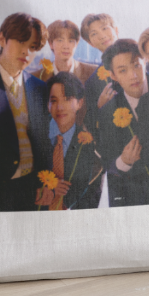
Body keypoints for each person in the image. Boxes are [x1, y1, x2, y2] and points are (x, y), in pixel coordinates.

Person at [97, 39, 149, 206]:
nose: (133, 75)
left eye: (136, 65)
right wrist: (124, 161)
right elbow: (107, 163)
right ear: (113, 75)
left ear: (145, 62)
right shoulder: (108, 112)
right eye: (122, 70)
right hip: (135, 199)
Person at [0, 12, 50, 212]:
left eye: (33, 47)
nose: (27, 52)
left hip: (32, 187)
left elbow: (43, 139)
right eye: (21, 41)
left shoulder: (38, 87)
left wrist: (45, 182)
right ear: (2, 38)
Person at [34, 72, 103, 210]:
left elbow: (81, 186)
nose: (60, 107)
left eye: (66, 99)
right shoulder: (36, 134)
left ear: (79, 103)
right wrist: (46, 189)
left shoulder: (86, 142)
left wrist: (63, 204)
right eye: (54, 101)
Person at [80, 13, 120, 132]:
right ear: (90, 43)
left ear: (116, 30)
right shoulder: (92, 83)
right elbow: (90, 125)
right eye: (94, 34)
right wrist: (100, 106)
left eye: (104, 28)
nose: (102, 36)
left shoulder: (143, 60)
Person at [32, 19, 98, 84]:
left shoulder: (93, 73)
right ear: (50, 44)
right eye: (60, 40)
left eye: (71, 41)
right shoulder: (36, 77)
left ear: (76, 44)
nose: (66, 46)